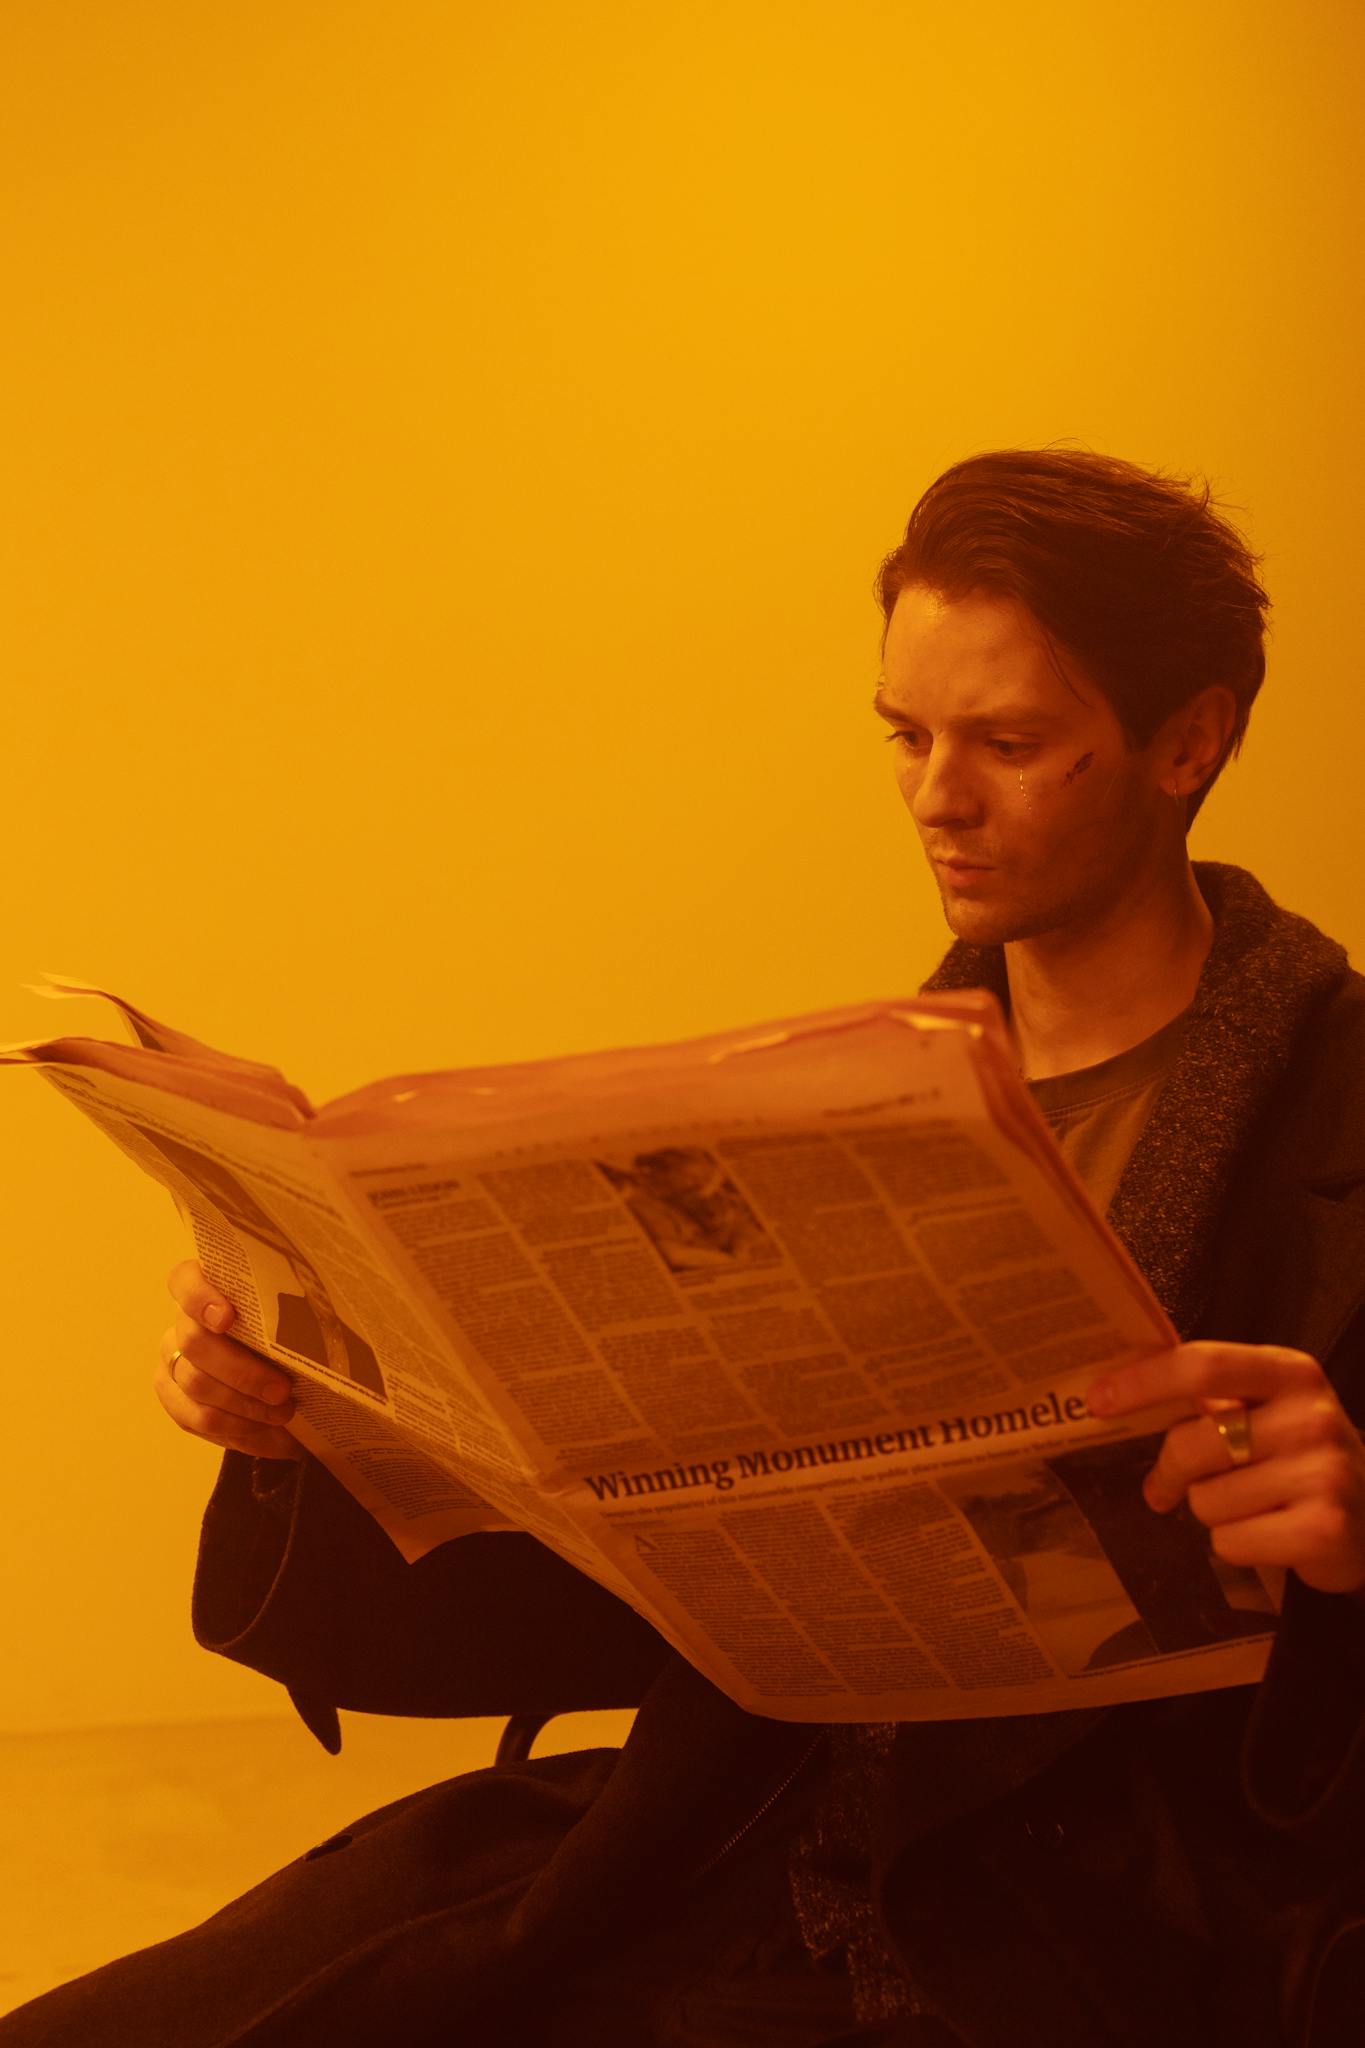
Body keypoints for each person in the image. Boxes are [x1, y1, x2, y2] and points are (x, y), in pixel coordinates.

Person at [7, 448, 1365, 2047]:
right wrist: (310, 1416)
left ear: (1185, 741)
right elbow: (630, 1579)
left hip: (1100, 1907)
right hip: (719, 1827)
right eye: (905, 736)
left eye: (1006, 743)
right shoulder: (874, 1109)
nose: (935, 796)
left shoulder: (1333, 1116)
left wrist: (1350, 1552)